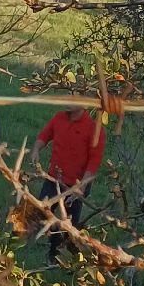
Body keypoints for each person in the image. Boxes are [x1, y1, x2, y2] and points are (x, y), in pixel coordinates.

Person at [33, 103, 104, 260]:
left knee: (70, 222)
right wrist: (36, 149)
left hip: (75, 185)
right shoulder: (59, 118)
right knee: (43, 211)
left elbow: (94, 162)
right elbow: (45, 135)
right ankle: (54, 246)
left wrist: (81, 186)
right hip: (54, 179)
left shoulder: (93, 129)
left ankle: (67, 256)